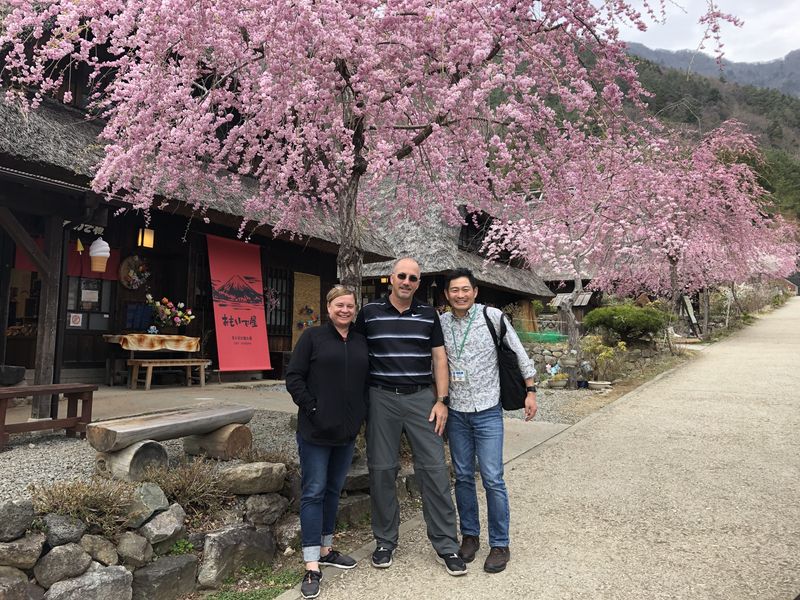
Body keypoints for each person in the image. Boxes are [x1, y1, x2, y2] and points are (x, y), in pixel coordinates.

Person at [354, 257, 466, 576]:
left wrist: (442, 400)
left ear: (418, 283)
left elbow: (439, 358)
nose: (406, 281)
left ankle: (446, 544)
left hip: (421, 398)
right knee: (381, 470)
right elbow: (356, 354)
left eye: (413, 278)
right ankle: (385, 541)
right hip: (381, 398)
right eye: (401, 276)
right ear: (391, 278)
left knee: (434, 469)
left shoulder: (429, 314)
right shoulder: (370, 314)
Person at [439, 268, 538, 574]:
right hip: (456, 412)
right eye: (454, 290)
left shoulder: (492, 317)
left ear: (475, 291)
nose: (460, 295)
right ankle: (470, 536)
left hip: (488, 410)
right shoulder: (440, 323)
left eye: (465, 289)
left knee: (493, 478)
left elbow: (519, 353)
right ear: (447, 294)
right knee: (464, 476)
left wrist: (531, 390)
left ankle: (500, 544)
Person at [285, 285, 369, 599]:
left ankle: (326, 547)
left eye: (350, 306)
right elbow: (293, 377)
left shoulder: (361, 342)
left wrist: (361, 413)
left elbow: (365, 382)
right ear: (329, 307)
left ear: (354, 309)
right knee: (314, 491)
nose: (345, 311)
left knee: (334, 490)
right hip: (316, 431)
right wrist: (313, 407)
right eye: (339, 306)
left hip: (346, 432)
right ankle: (311, 564)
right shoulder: (312, 338)